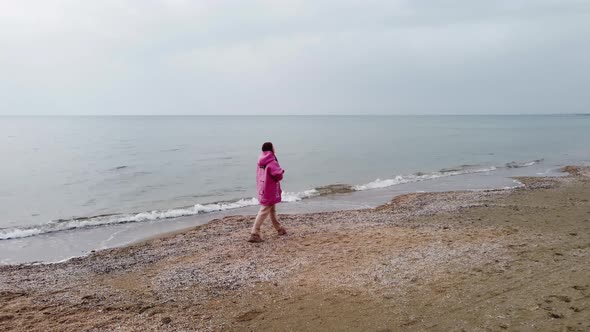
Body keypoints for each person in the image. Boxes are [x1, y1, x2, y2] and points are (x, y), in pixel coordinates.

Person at [249, 142, 287, 242]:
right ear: (271, 149)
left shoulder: (261, 161)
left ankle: (279, 229)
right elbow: (278, 175)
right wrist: (282, 171)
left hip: (263, 187)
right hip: (270, 189)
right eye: (273, 146)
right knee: (264, 210)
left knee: (272, 209)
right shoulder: (271, 161)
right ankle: (255, 233)